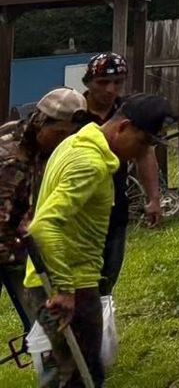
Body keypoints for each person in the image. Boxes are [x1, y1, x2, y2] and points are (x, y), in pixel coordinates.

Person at [25, 94, 175, 388]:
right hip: (71, 286)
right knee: (80, 378)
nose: (140, 152)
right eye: (143, 142)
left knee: (70, 374)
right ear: (123, 127)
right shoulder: (90, 164)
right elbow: (43, 226)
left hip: (64, 282)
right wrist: (66, 290)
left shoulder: (77, 142)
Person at [0, 90, 89, 332]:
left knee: (44, 323)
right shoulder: (8, 149)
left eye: (69, 134)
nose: (63, 140)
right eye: (58, 132)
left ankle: (54, 360)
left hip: (24, 248)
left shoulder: (56, 152)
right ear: (40, 122)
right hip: (9, 243)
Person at [76, 55, 161, 295]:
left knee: (106, 280)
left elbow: (145, 154)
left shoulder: (128, 113)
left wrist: (153, 197)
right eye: (103, 82)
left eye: (118, 82)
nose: (111, 89)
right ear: (89, 82)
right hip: (78, 208)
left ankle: (99, 325)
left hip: (114, 207)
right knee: (78, 283)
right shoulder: (74, 112)